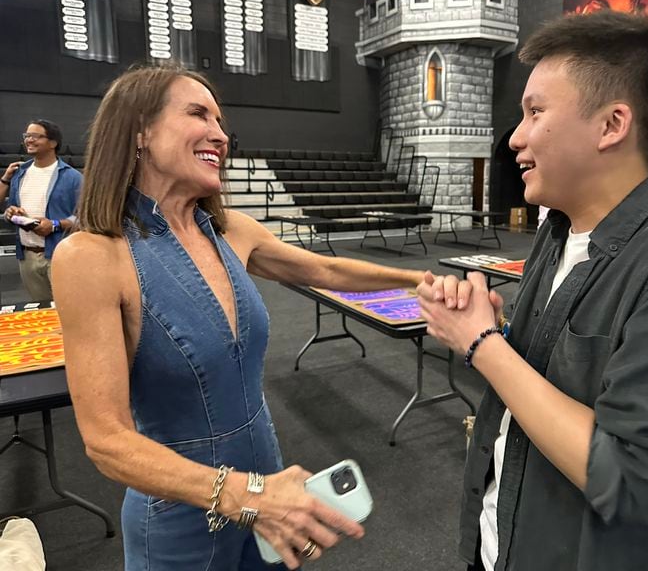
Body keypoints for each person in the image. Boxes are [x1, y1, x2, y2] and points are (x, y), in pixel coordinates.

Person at [50, 65, 426, 571]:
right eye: (198, 114)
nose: (220, 135)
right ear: (140, 129)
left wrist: (418, 282)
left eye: (221, 121)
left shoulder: (231, 231)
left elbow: (326, 268)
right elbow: (106, 442)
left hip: (268, 484)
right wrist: (243, 494)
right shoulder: (91, 256)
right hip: (182, 516)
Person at [417, 11, 648, 571]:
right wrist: (493, 330)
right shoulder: (560, 230)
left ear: (611, 124)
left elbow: (632, 478)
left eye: (534, 112)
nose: (516, 137)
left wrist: (483, 345)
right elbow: (559, 386)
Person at [0, 120, 82, 302]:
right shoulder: (18, 173)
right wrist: (12, 213)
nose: (29, 140)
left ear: (53, 143)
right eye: (27, 136)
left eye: (36, 136)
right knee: (42, 312)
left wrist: (55, 225)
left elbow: (86, 220)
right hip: (27, 256)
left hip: (59, 255)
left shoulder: (73, 178)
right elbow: (11, 209)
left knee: (69, 309)